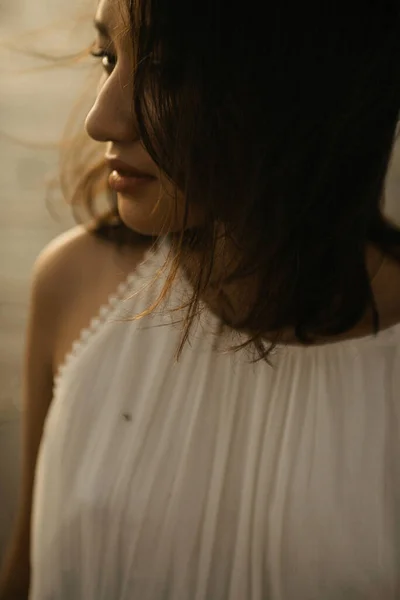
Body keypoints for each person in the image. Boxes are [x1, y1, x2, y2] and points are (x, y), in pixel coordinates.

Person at [1, 0, 400, 598]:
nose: (100, 119)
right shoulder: (74, 285)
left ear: (310, 82)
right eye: (107, 58)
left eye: (172, 70)